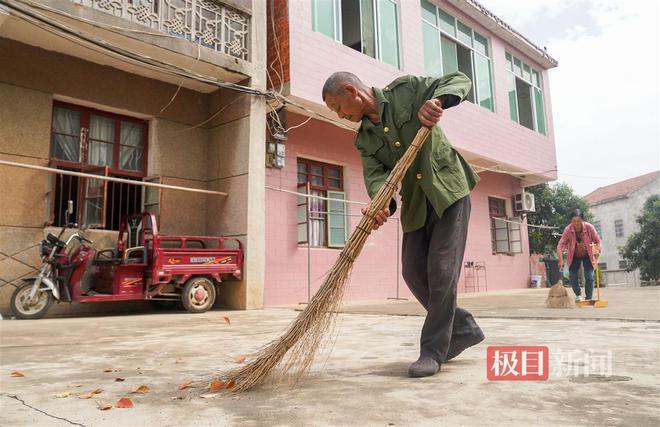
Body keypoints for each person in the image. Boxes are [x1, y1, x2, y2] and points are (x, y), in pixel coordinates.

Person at [322, 71, 484, 378]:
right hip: (416, 205)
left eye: (337, 107)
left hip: (448, 191)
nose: (341, 115)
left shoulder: (406, 91)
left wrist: (438, 101)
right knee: (412, 272)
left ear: (350, 90)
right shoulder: (364, 139)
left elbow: (459, 79)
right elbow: (375, 177)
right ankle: (462, 328)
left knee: (441, 271)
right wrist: (382, 202)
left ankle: (433, 351)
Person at [557, 209, 602, 302]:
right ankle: (578, 294)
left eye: (578, 221)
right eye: (574, 221)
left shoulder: (590, 228)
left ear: (583, 220)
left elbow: (598, 241)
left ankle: (588, 298)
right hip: (574, 255)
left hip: (587, 254)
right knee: (573, 276)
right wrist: (560, 260)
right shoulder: (568, 230)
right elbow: (560, 246)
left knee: (589, 276)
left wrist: (597, 250)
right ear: (571, 221)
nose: (576, 223)